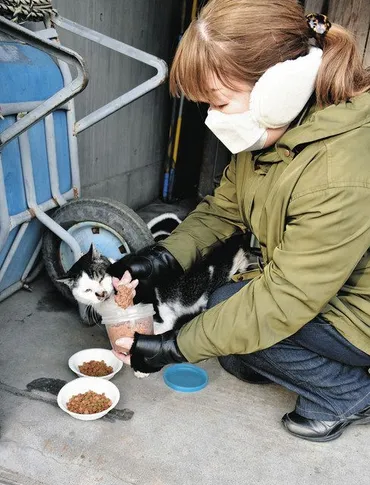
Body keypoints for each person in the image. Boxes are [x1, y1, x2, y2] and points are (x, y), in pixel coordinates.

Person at [107, 0, 370, 442]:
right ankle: (310, 367)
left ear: (279, 87)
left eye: (220, 102)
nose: (214, 119)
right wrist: (159, 260)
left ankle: (350, 394)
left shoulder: (339, 172)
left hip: (360, 314)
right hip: (324, 288)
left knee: (229, 314)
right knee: (234, 349)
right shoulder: (282, 133)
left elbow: (284, 298)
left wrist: (174, 347)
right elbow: (222, 209)